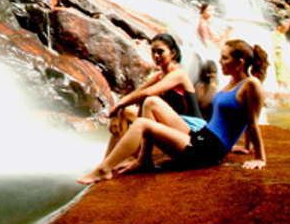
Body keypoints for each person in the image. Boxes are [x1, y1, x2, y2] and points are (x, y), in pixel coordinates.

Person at [78, 39, 268, 185]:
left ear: (240, 63)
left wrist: (259, 157)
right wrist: (243, 146)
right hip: (203, 136)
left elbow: (252, 121)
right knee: (151, 102)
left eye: (225, 57)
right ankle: (144, 160)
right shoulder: (231, 82)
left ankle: (104, 169)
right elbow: (236, 118)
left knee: (142, 124)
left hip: (209, 150)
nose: (220, 61)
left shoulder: (251, 84)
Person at [104, 33, 204, 158]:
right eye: (153, 52)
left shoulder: (179, 74)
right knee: (126, 112)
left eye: (160, 52)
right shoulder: (158, 76)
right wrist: (117, 111)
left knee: (149, 101)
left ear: (173, 53)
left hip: (192, 128)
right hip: (174, 123)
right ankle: (111, 159)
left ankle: (138, 159)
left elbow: (147, 93)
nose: (156, 56)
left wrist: (119, 105)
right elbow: (134, 94)